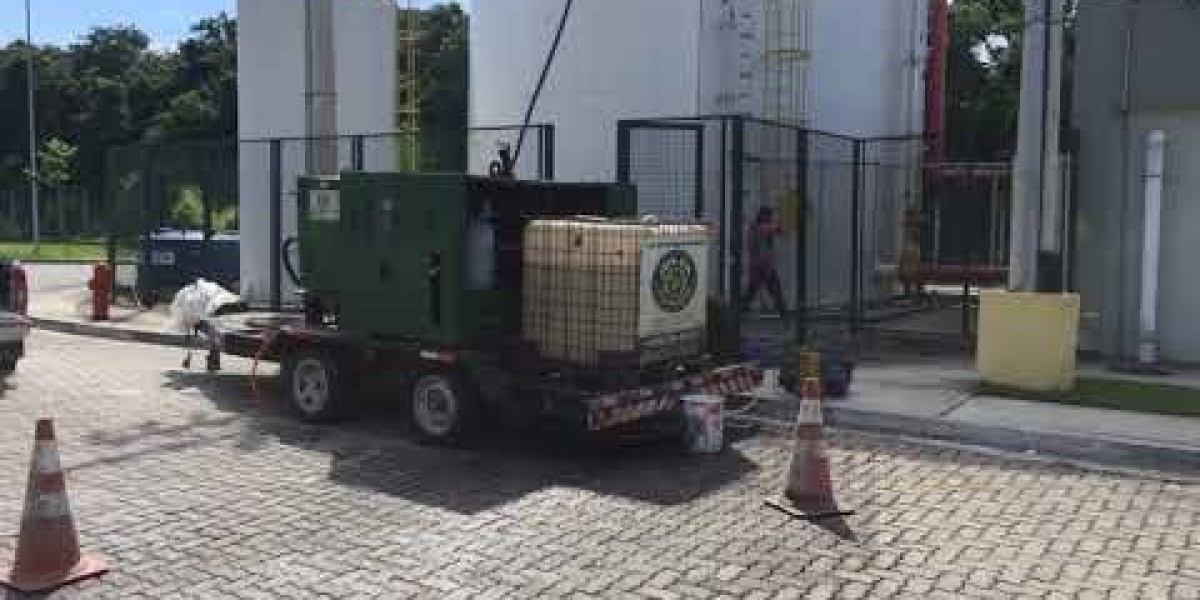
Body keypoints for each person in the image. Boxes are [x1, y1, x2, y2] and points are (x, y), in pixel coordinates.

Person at [743, 206, 788, 318]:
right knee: (774, 289)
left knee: (752, 291)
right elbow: (779, 231)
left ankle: (740, 311)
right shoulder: (761, 228)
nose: (770, 218)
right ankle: (783, 313)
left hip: (758, 265)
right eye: (769, 216)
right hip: (763, 265)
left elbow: (777, 231)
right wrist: (779, 224)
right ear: (763, 216)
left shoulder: (754, 228)